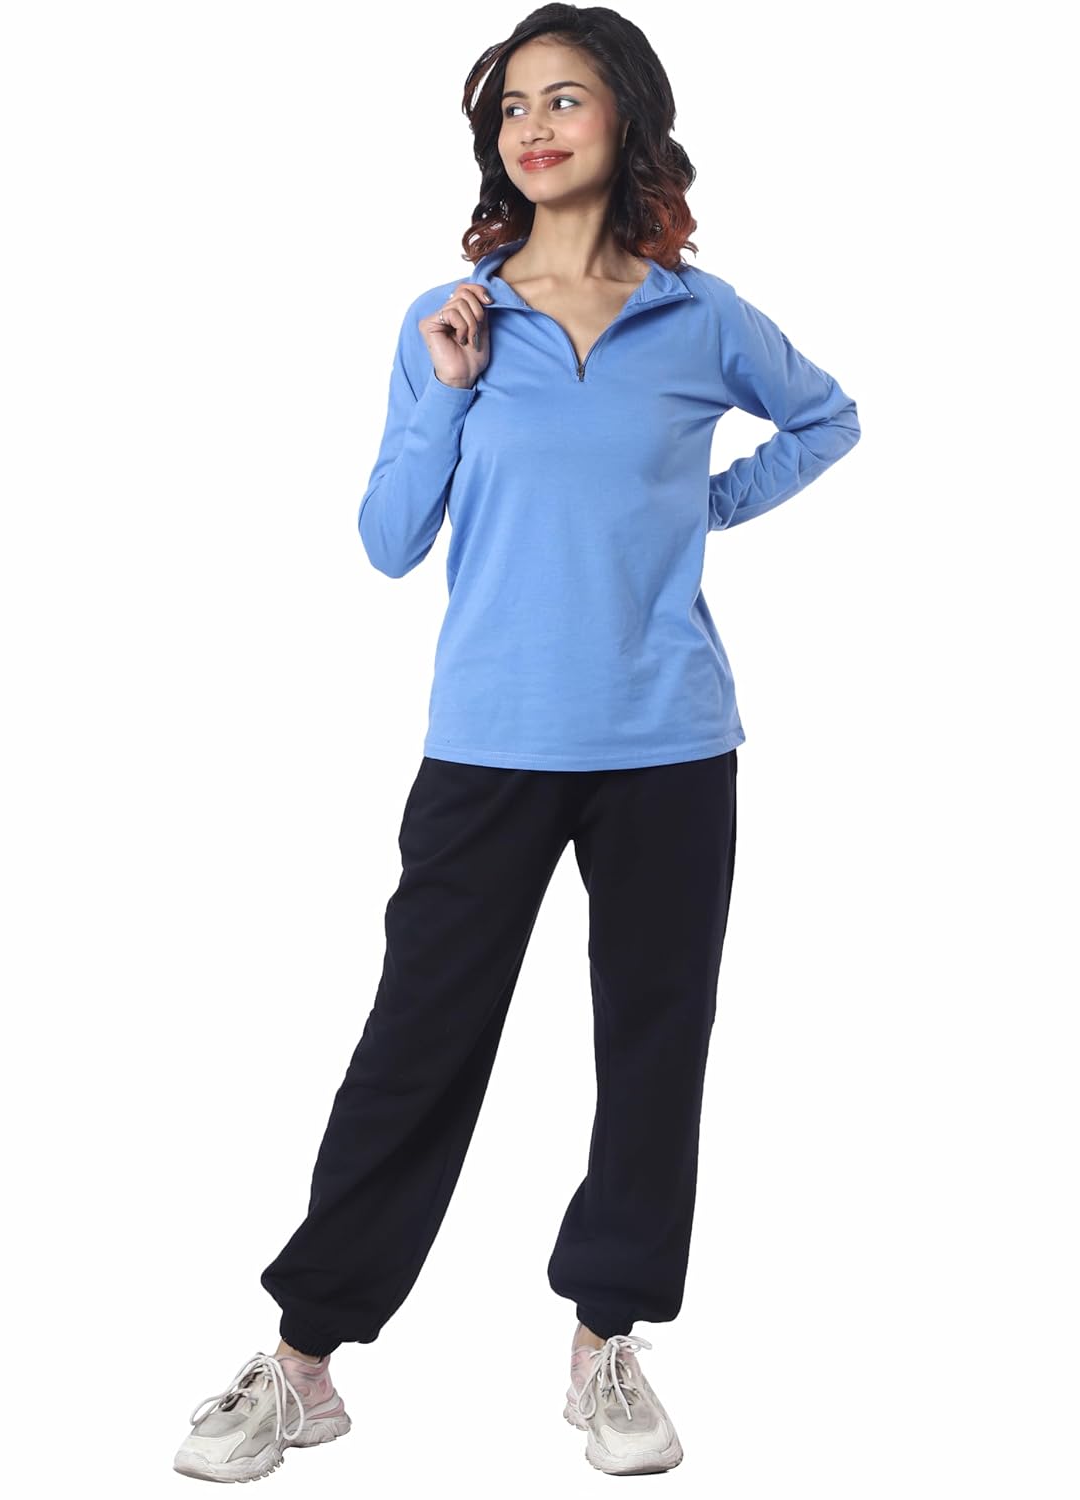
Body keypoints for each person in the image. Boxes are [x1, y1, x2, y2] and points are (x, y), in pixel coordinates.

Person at [173, 3, 860, 1483]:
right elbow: (385, 540)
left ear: (627, 120)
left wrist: (707, 510)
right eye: (511, 107)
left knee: (652, 1046)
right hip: (490, 740)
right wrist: (447, 390)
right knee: (415, 1046)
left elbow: (826, 420)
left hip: (669, 742)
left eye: (564, 99)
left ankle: (606, 1337)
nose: (533, 128)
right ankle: (306, 1357)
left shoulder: (703, 317)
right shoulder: (453, 317)